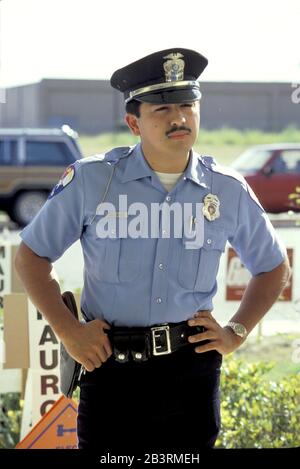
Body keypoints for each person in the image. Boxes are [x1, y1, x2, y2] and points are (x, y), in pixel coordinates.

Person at [15, 48, 290, 451]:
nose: (178, 118)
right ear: (133, 122)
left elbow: (273, 267)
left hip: (190, 374)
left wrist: (236, 332)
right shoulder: (94, 181)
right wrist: (69, 331)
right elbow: (31, 257)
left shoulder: (226, 189)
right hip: (110, 371)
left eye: (186, 105)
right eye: (161, 109)